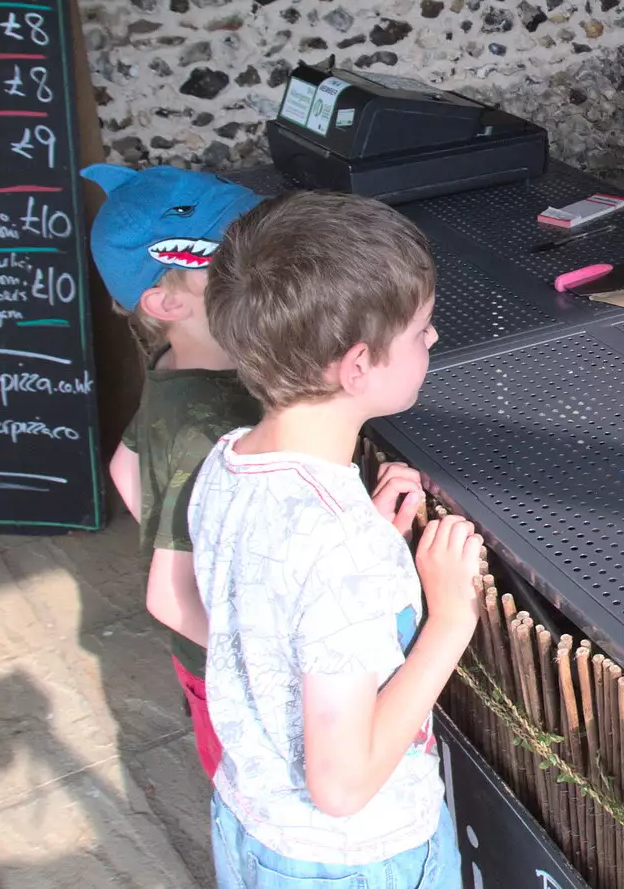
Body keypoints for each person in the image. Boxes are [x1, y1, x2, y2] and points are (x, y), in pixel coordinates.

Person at [190, 190, 481, 889]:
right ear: (356, 368)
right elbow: (343, 785)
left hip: (251, 823)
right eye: (421, 330)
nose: (433, 339)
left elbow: (271, 606)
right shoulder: (341, 548)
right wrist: (450, 620)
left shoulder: (226, 460)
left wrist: (367, 551)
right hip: (354, 859)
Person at [88, 162, 264, 781]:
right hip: (226, 665)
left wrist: (171, 524)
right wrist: (256, 667)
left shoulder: (175, 367)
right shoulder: (217, 422)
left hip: (205, 654)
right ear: (167, 302)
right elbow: (169, 596)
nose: (265, 272)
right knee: (251, 805)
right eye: (239, 262)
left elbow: (123, 464)